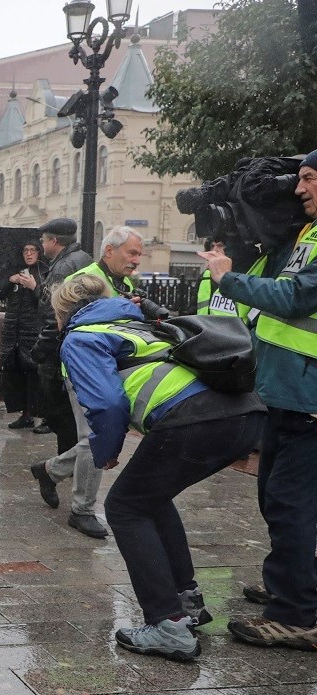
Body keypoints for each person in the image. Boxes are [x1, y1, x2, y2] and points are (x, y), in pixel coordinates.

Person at [54, 274, 265, 660]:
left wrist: (106, 451)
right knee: (149, 498)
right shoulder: (135, 324)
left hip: (195, 420)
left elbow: (106, 403)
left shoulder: (80, 337)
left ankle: (168, 625)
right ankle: (186, 601)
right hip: (244, 414)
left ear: (62, 313)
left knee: (125, 507)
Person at [199, 148, 317, 649]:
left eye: (309, 178)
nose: (299, 188)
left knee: (291, 506)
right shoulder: (306, 235)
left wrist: (227, 277)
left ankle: (296, 615)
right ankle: (291, 588)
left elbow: (293, 299)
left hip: (309, 398)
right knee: (278, 499)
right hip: (290, 394)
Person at [27, 218, 107, 539]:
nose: (42, 246)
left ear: (54, 241)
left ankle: (58, 479)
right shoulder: (85, 259)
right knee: (87, 435)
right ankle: (57, 477)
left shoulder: (63, 267)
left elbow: (55, 314)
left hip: (68, 358)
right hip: (81, 356)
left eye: (44, 240)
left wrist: (40, 352)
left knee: (73, 430)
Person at [0, 241, 47, 430]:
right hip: (13, 333)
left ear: (39, 253)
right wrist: (10, 281)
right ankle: (25, 414)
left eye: (33, 250)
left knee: (36, 375)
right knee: (16, 373)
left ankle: (43, 416)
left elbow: (47, 302)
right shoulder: (15, 272)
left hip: (33, 332)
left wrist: (34, 287)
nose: (29, 254)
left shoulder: (44, 272)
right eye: (25, 250)